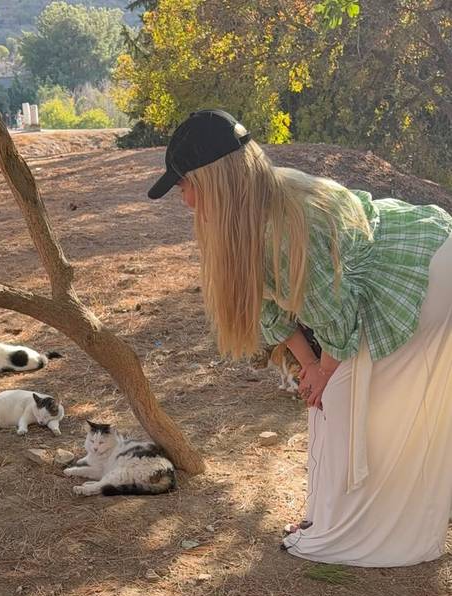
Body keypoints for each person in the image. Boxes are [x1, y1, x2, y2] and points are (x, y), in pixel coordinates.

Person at [148, 109, 452, 567]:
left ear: (215, 181)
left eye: (185, 186)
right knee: (332, 408)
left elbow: (335, 318)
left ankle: (361, 536)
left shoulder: (285, 225)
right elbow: (271, 307)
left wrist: (323, 372)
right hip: (378, 285)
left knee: (354, 412)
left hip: (420, 275)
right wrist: (310, 366)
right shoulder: (250, 212)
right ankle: (330, 522)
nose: (185, 200)